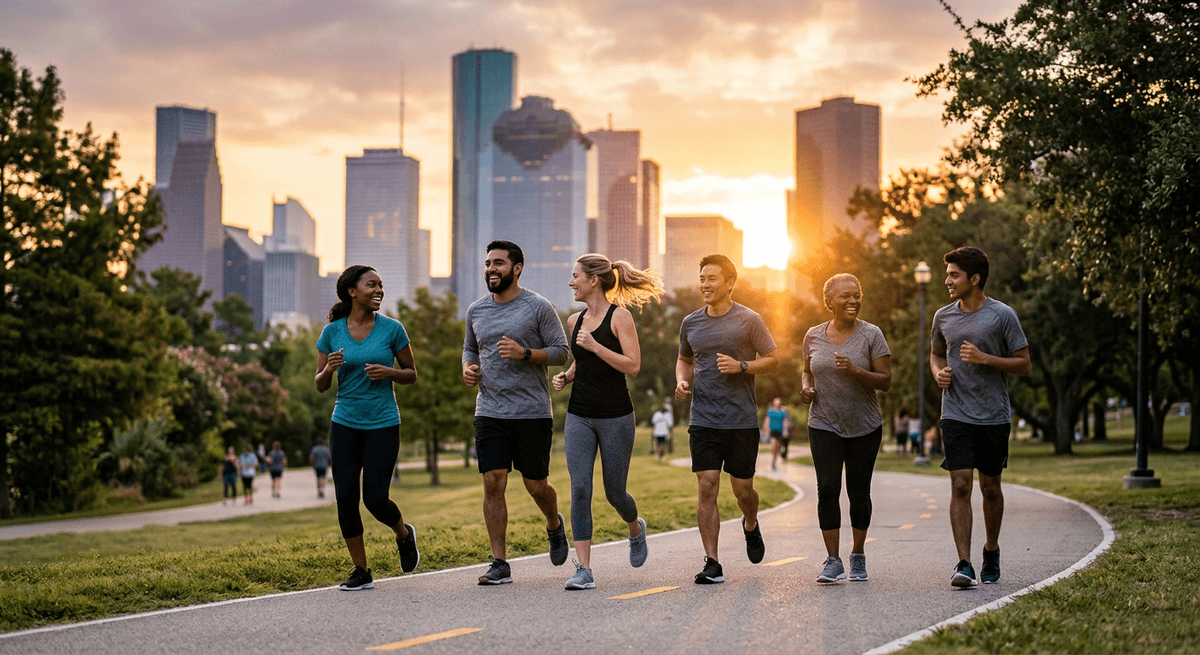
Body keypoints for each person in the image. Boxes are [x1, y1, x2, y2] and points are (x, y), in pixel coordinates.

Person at [551, 253, 663, 590]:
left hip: (616, 416)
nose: (571, 282)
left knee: (615, 493)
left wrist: (597, 347)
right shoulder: (574, 321)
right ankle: (583, 568)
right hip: (579, 415)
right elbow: (582, 361)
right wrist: (568, 375)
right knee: (580, 488)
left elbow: (632, 365)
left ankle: (635, 528)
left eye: (575, 276)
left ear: (593, 280)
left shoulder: (620, 318)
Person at [462, 240, 570, 586]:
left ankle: (554, 524)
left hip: (531, 412)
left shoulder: (538, 306)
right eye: (488, 263)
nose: (491, 269)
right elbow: (469, 348)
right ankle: (499, 562)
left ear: (517, 268)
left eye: (499, 263)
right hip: (490, 410)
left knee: (536, 485)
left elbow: (561, 352)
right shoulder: (476, 310)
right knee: (493, 481)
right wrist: (468, 367)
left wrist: (525, 353)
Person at [316, 264, 421, 592]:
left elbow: (412, 373)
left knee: (375, 499)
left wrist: (389, 373)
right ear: (352, 291)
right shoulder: (332, 331)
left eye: (381, 285)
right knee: (345, 498)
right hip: (344, 423)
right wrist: (329, 370)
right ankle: (360, 570)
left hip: (383, 424)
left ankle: (404, 534)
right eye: (371, 285)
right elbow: (319, 385)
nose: (379, 290)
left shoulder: (392, 329)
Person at [930, 246, 1030, 587]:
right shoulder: (943, 316)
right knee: (960, 484)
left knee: (990, 487)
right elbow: (935, 352)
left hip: (992, 414)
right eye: (948, 274)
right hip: (955, 411)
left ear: (975, 279)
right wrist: (937, 373)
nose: (948, 281)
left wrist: (987, 359)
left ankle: (990, 549)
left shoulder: (1002, 315)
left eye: (954, 275)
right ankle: (964, 563)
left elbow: (1024, 363)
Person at [675, 254, 779, 584]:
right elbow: (684, 359)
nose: (705, 284)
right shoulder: (691, 322)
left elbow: (774, 359)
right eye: (702, 278)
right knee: (707, 485)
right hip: (704, 418)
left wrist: (742, 366)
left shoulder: (749, 320)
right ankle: (712, 562)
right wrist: (682, 379)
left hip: (741, 420)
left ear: (730, 283)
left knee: (743, 490)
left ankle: (750, 522)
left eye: (712, 278)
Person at [799, 273, 892, 584]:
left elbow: (886, 381)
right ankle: (833, 560)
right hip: (823, 422)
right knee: (827, 489)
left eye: (856, 294)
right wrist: (806, 389)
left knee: (858, 491)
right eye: (846, 296)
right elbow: (806, 371)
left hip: (864, 425)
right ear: (830, 302)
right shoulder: (813, 335)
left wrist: (855, 370)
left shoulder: (871, 335)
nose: (853, 300)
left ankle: (858, 554)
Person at [764, 398, 791, 470]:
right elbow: (767, 420)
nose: (777, 403)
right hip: (772, 431)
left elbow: (785, 421)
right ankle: (773, 459)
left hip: (780, 431)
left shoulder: (783, 411)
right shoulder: (770, 410)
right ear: (774, 403)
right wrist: (767, 430)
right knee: (773, 444)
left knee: (778, 447)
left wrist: (785, 431)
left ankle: (775, 459)